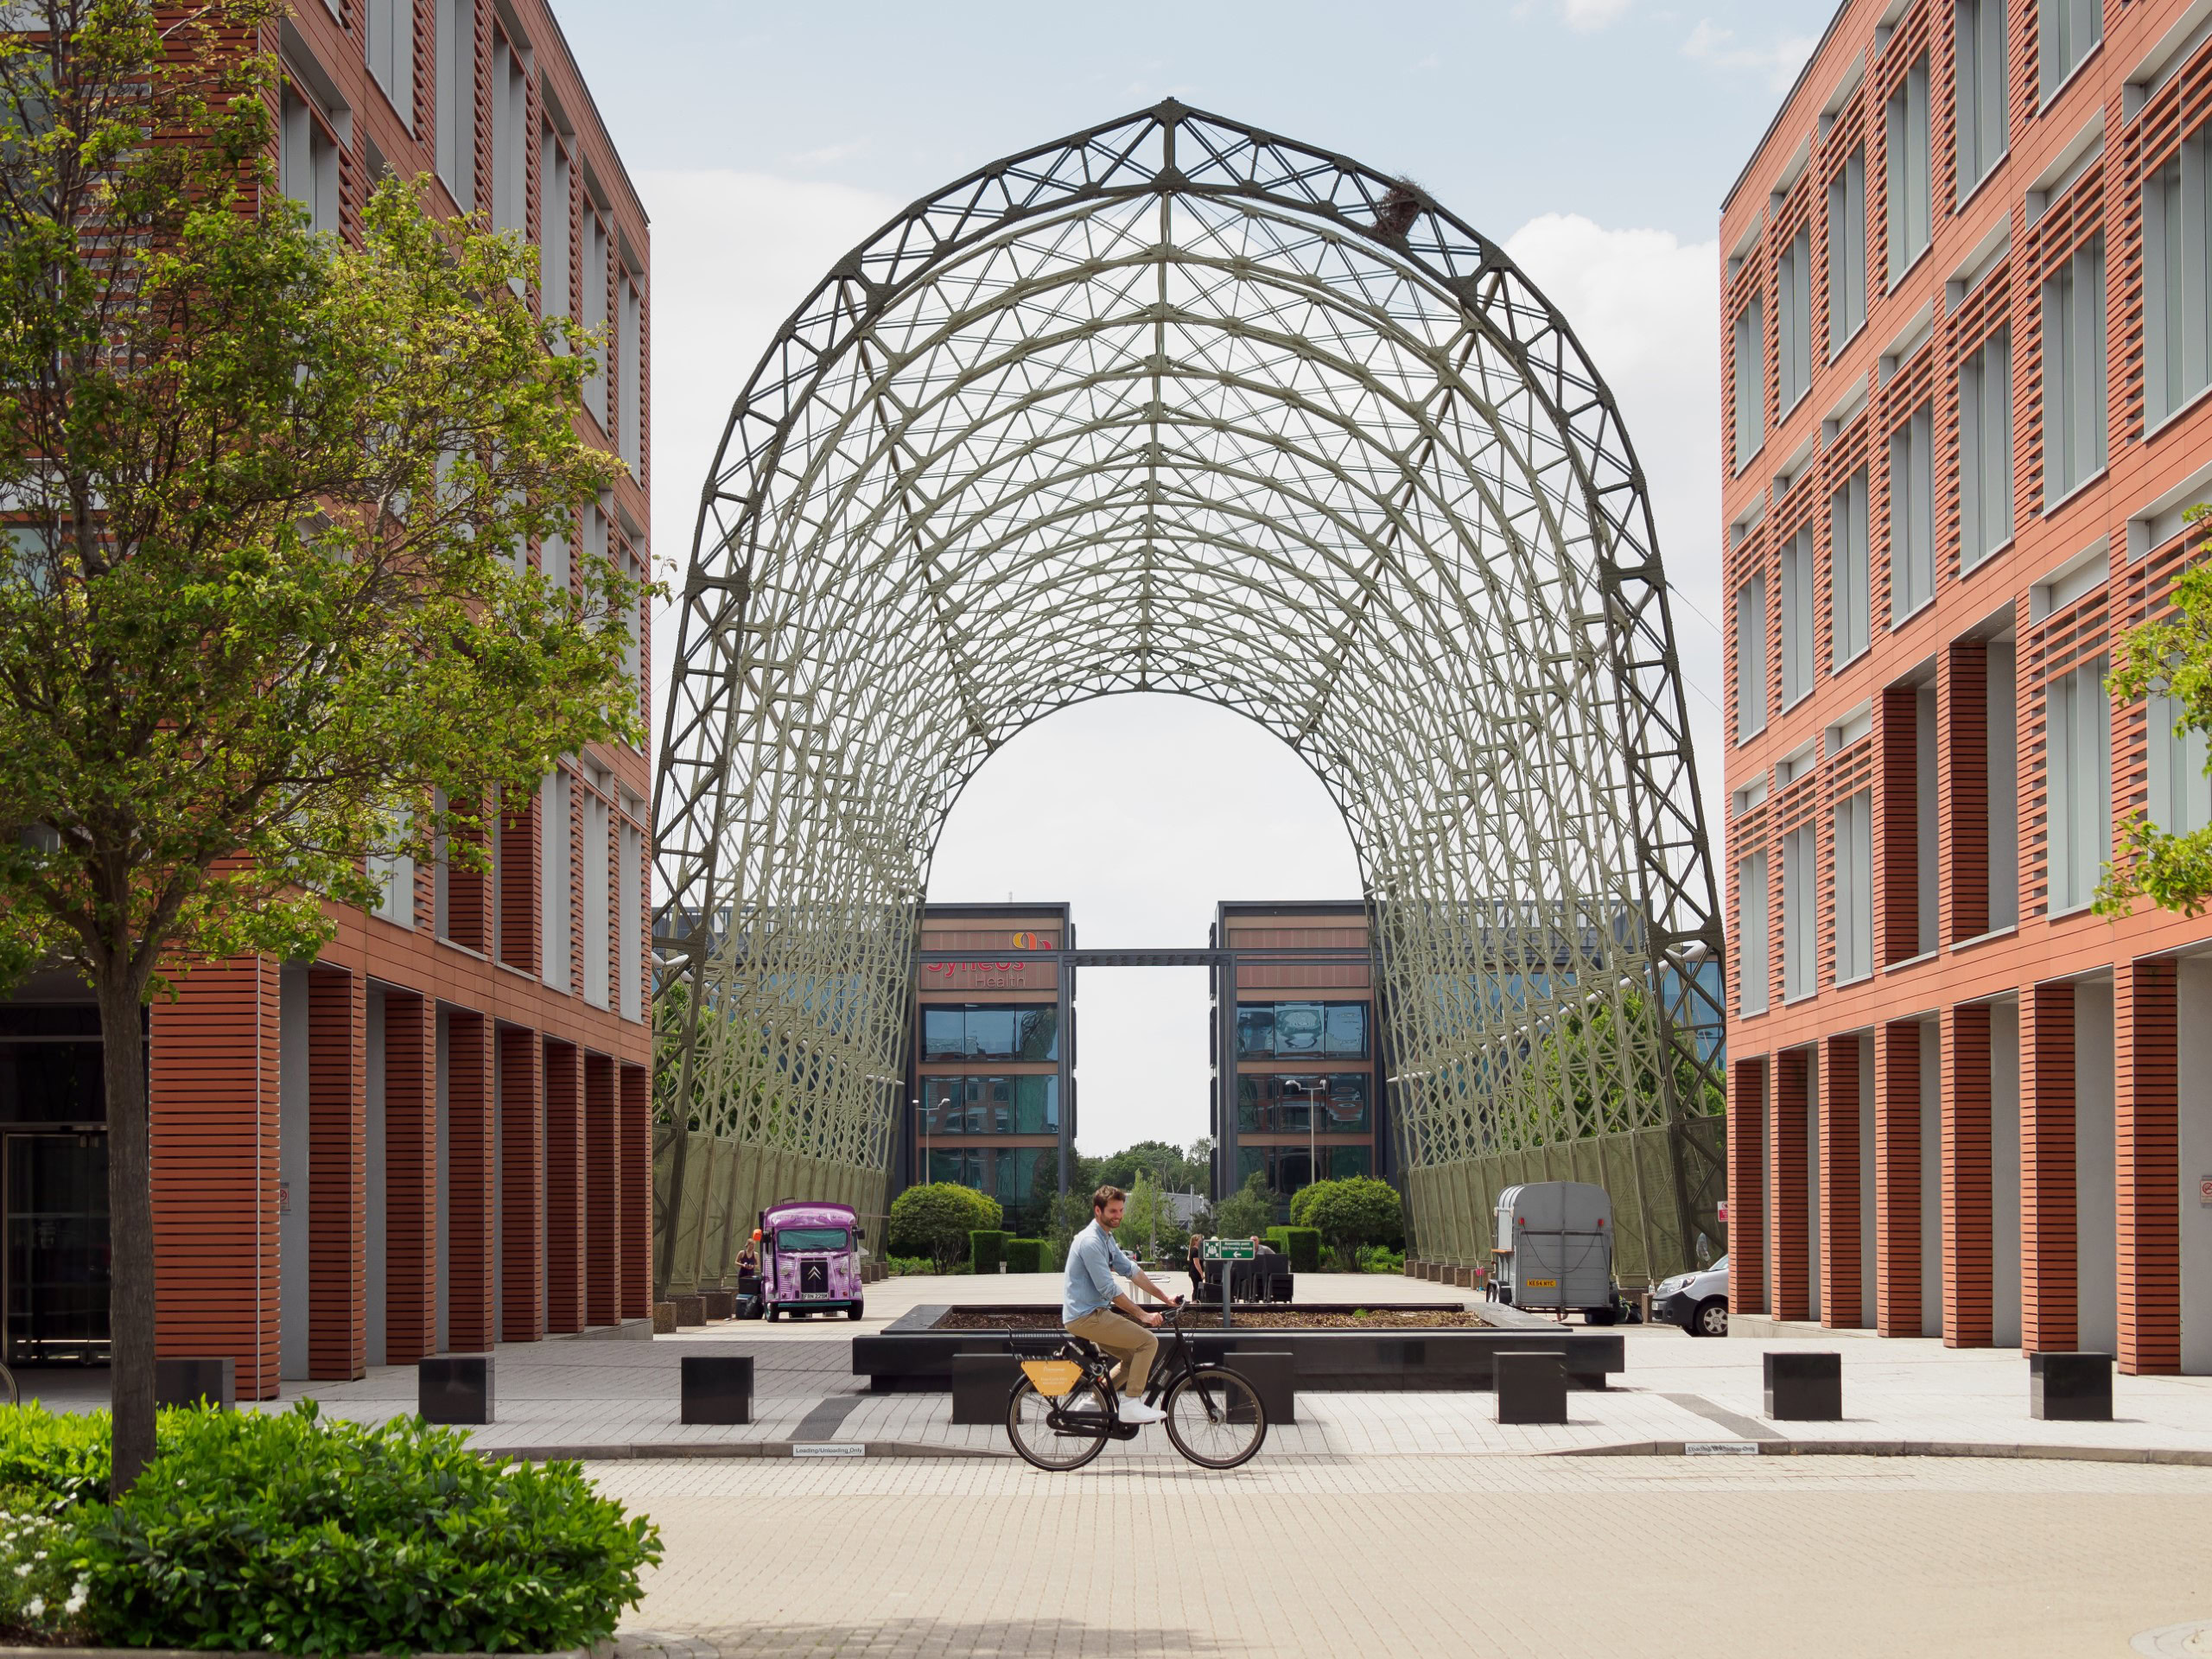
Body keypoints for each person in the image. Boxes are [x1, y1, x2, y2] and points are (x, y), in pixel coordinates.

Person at [1062, 1185, 1179, 1424]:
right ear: (1098, 1210)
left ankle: (1094, 1402)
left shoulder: (1106, 1238)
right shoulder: (1090, 1242)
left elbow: (1132, 1270)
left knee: (1131, 1357)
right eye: (1113, 1211)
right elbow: (1109, 1290)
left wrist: (1165, 1299)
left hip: (1093, 1314)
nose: (1118, 1216)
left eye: (1121, 1210)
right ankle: (1131, 1403)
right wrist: (1143, 1316)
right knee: (1148, 1342)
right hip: (1086, 1316)